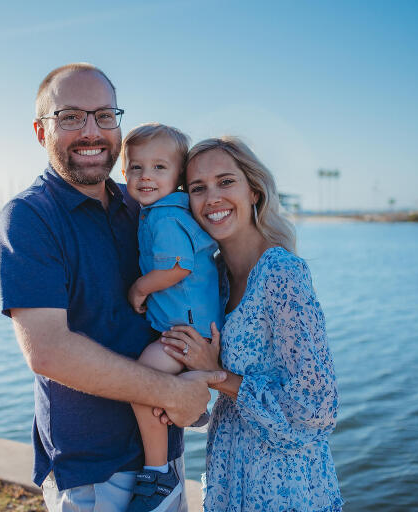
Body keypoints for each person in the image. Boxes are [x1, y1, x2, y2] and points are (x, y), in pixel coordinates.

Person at [0, 63, 225, 512]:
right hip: (94, 473)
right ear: (42, 132)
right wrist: (176, 394)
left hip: (164, 455)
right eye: (70, 117)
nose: (91, 131)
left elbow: (195, 278)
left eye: (103, 115)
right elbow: (48, 351)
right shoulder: (29, 218)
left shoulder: (139, 203)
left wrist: (201, 373)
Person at [158, 137, 343, 511]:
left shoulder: (282, 273)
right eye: (198, 188)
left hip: (284, 485)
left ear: (254, 191)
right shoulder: (216, 281)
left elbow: (318, 408)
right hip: (230, 473)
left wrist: (216, 374)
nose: (212, 198)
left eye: (226, 182)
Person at [120, 123, 223, 512]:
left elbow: (177, 268)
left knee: (143, 377)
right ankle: (194, 409)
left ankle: (159, 473)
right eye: (135, 167)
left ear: (179, 177)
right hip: (190, 324)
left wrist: (140, 288)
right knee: (153, 381)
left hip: (188, 330)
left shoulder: (164, 217)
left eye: (160, 168)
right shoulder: (166, 210)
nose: (146, 176)